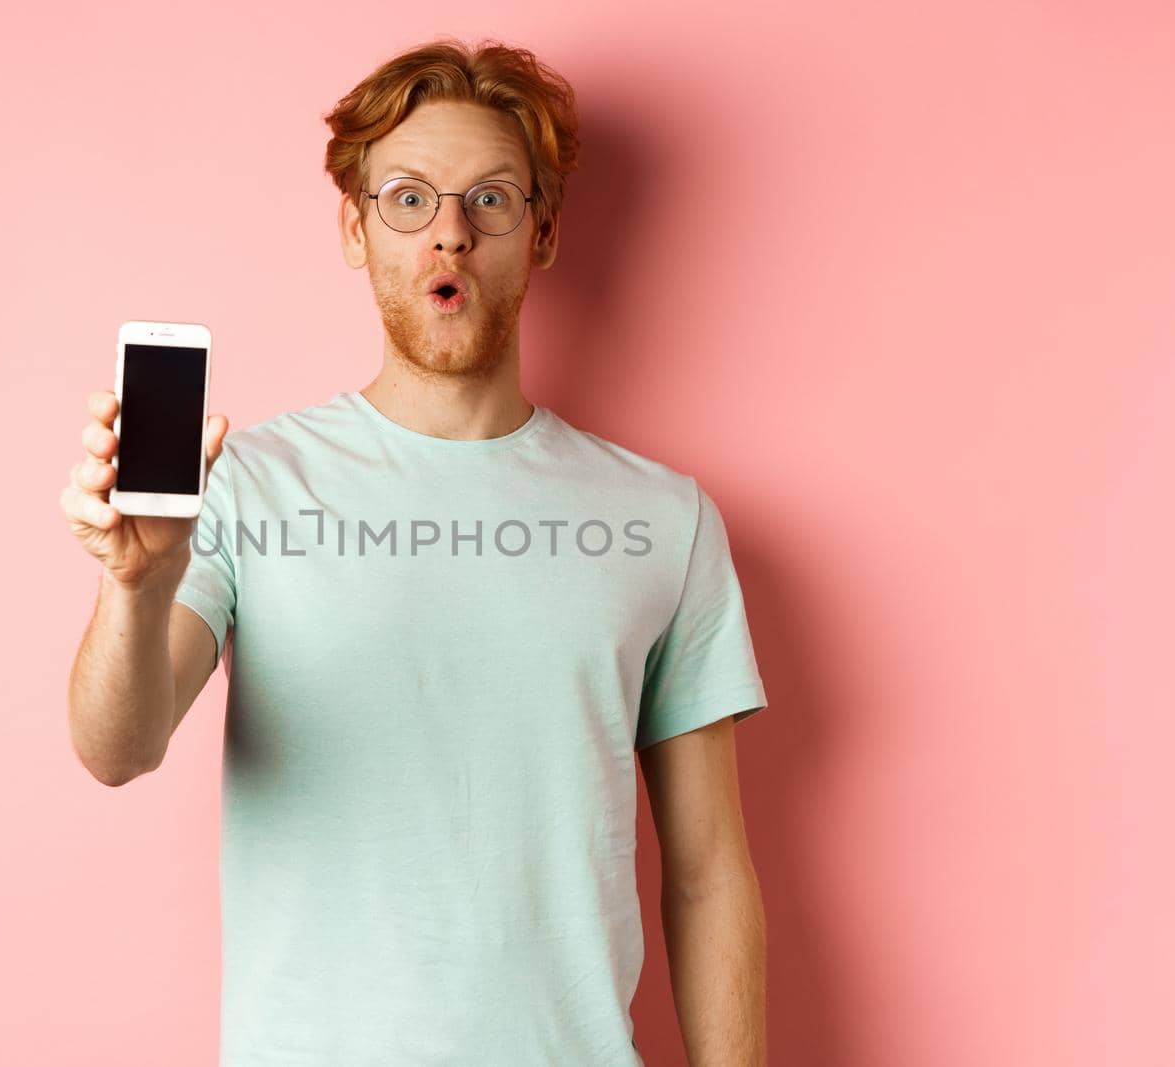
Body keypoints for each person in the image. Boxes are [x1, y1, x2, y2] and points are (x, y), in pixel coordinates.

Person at [61, 36, 770, 1067]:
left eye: (490, 200)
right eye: (407, 198)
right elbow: (115, 749)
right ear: (356, 228)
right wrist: (137, 582)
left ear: (543, 232)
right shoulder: (250, 484)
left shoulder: (665, 517)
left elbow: (708, 871)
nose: (449, 233)